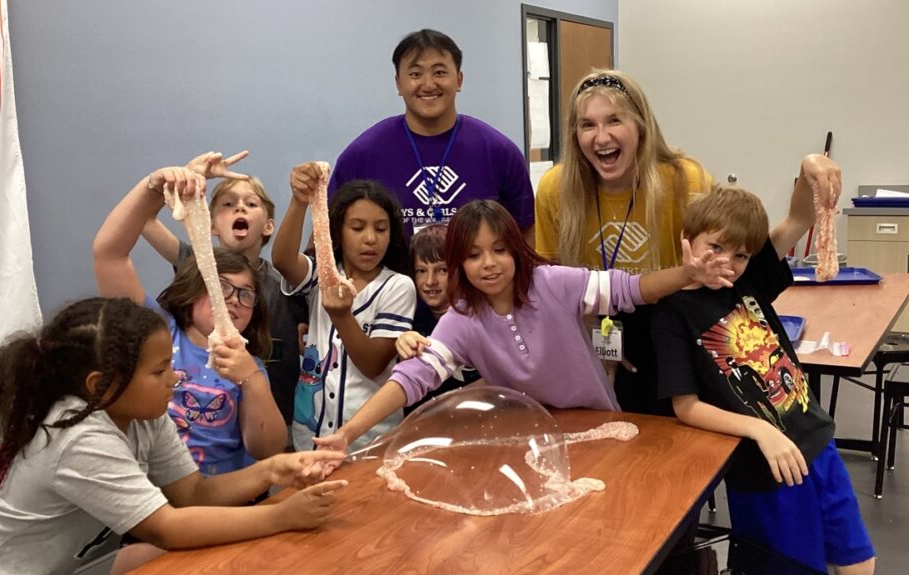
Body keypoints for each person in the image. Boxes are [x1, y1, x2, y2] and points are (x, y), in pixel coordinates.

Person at [0, 297, 346, 575]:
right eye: (159, 371)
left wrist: (273, 470)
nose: (174, 378)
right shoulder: (78, 436)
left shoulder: (144, 413)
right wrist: (280, 516)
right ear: (100, 385)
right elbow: (168, 528)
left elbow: (192, 493)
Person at [313, 199, 733, 454]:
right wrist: (348, 434)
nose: (489, 263)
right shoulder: (462, 317)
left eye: (499, 250)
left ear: (516, 249)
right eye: (474, 255)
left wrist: (686, 275)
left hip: (600, 430)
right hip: (529, 441)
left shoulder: (553, 283)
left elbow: (630, 289)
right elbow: (411, 379)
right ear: (459, 262)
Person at [651, 179, 874, 575]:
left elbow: (798, 219)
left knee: (858, 566)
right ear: (686, 242)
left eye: (740, 255)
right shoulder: (672, 314)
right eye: (714, 248)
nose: (726, 264)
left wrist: (809, 168)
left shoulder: (748, 281)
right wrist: (760, 430)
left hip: (817, 443)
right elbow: (685, 406)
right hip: (766, 469)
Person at [534, 69, 827, 418]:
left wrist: (810, 167)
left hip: (676, 332)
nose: (601, 137)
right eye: (587, 125)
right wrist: (593, 343)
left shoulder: (683, 179)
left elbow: (748, 251)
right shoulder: (556, 189)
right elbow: (551, 287)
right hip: (603, 336)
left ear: (641, 125)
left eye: (614, 120)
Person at [95, 164, 287, 475]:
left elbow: (267, 450)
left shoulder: (250, 366)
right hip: (151, 494)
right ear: (195, 289)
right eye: (221, 287)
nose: (233, 300)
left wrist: (250, 380)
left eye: (245, 294)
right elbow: (109, 254)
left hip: (223, 500)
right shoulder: (157, 332)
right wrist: (153, 185)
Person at [141, 151, 307, 436]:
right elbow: (142, 220)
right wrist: (184, 178)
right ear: (212, 224)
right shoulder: (196, 264)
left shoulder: (287, 285)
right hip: (203, 424)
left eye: (251, 204)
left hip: (272, 421)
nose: (240, 209)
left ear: (268, 225)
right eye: (228, 204)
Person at [329, 28, 534, 241]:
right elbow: (326, 234)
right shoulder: (362, 154)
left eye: (439, 72)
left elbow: (526, 232)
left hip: (475, 275)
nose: (428, 85)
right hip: (391, 275)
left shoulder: (499, 152)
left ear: (459, 80)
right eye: (415, 74)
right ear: (399, 83)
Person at [272, 164, 416, 452]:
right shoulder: (322, 275)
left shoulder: (398, 286)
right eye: (357, 227)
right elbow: (283, 260)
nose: (370, 239)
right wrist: (300, 201)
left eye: (381, 228)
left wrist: (341, 315)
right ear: (338, 232)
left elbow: (373, 364)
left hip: (370, 440)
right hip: (309, 435)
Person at [402, 223, 480, 412]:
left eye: (442, 270)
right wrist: (401, 340)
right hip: (422, 430)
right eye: (421, 271)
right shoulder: (409, 320)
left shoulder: (481, 318)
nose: (430, 281)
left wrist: (450, 404)